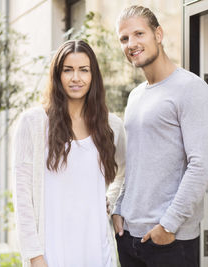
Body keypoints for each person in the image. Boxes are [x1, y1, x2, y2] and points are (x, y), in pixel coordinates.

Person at [112, 5, 208, 267]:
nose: (131, 44)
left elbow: (202, 166)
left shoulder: (191, 89)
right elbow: (134, 164)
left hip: (170, 241)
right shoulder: (135, 96)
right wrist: (119, 208)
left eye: (139, 34)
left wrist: (168, 226)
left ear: (158, 34)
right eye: (124, 38)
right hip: (129, 237)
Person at [13, 40, 126, 267]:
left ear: (93, 76)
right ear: (57, 75)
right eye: (68, 70)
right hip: (51, 255)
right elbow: (22, 197)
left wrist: (112, 201)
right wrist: (34, 256)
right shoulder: (33, 124)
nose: (76, 78)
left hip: (97, 253)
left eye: (84, 70)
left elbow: (125, 171)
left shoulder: (111, 126)